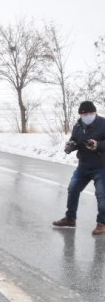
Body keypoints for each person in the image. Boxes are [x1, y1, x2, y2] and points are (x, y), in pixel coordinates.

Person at [53, 101, 105, 235]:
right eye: (84, 114)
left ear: (95, 113)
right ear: (81, 115)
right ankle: (70, 218)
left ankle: (102, 224)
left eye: (90, 113)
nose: (87, 116)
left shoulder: (103, 123)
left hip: (101, 166)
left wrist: (98, 145)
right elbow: (75, 140)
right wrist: (70, 146)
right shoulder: (78, 126)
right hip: (83, 165)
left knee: (101, 194)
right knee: (73, 188)